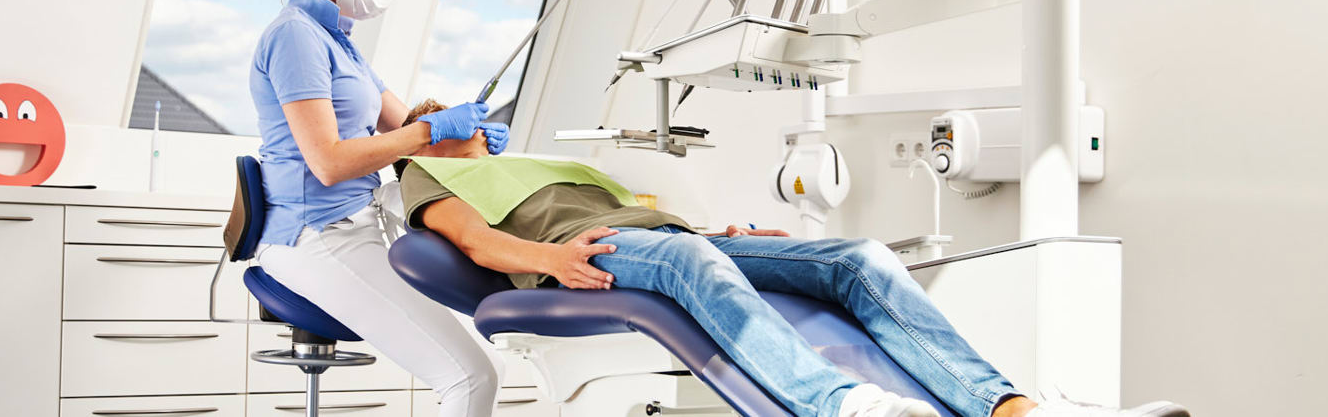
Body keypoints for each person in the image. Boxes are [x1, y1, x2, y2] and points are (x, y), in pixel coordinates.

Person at [394, 100, 1192, 417]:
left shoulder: (553, 163)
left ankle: (1010, 409)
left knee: (855, 258)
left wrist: (726, 234)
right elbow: (470, 241)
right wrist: (550, 257)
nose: (477, 123)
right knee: (694, 268)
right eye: (454, 116)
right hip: (591, 255)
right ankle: (844, 406)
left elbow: (654, 218)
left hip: (668, 238)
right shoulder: (430, 170)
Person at [247, 0, 507, 417]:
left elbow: (407, 129)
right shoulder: (296, 37)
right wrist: (431, 130)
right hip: (314, 236)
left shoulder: (340, 42)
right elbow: (330, 162)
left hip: (355, 224)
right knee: (470, 377)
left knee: (484, 363)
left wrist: (472, 137)